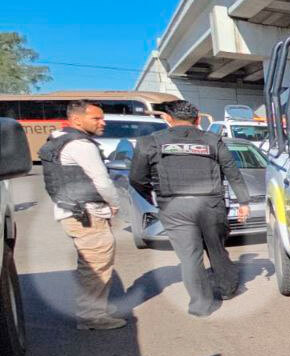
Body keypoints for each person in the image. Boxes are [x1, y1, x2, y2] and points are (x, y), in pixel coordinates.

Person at [130, 100, 251, 317]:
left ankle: (201, 305)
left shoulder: (150, 142)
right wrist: (243, 203)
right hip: (210, 205)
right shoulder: (213, 140)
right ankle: (227, 289)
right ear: (197, 120)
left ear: (168, 119)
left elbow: (137, 178)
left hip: (174, 206)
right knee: (216, 249)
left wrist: (153, 195)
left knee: (189, 256)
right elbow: (232, 172)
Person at [39, 101, 126, 330]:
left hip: (73, 210)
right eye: (96, 119)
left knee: (89, 262)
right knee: (97, 265)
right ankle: (92, 316)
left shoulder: (58, 139)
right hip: (87, 212)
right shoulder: (80, 145)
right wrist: (114, 204)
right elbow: (102, 181)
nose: (102, 122)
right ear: (77, 120)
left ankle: (94, 307)